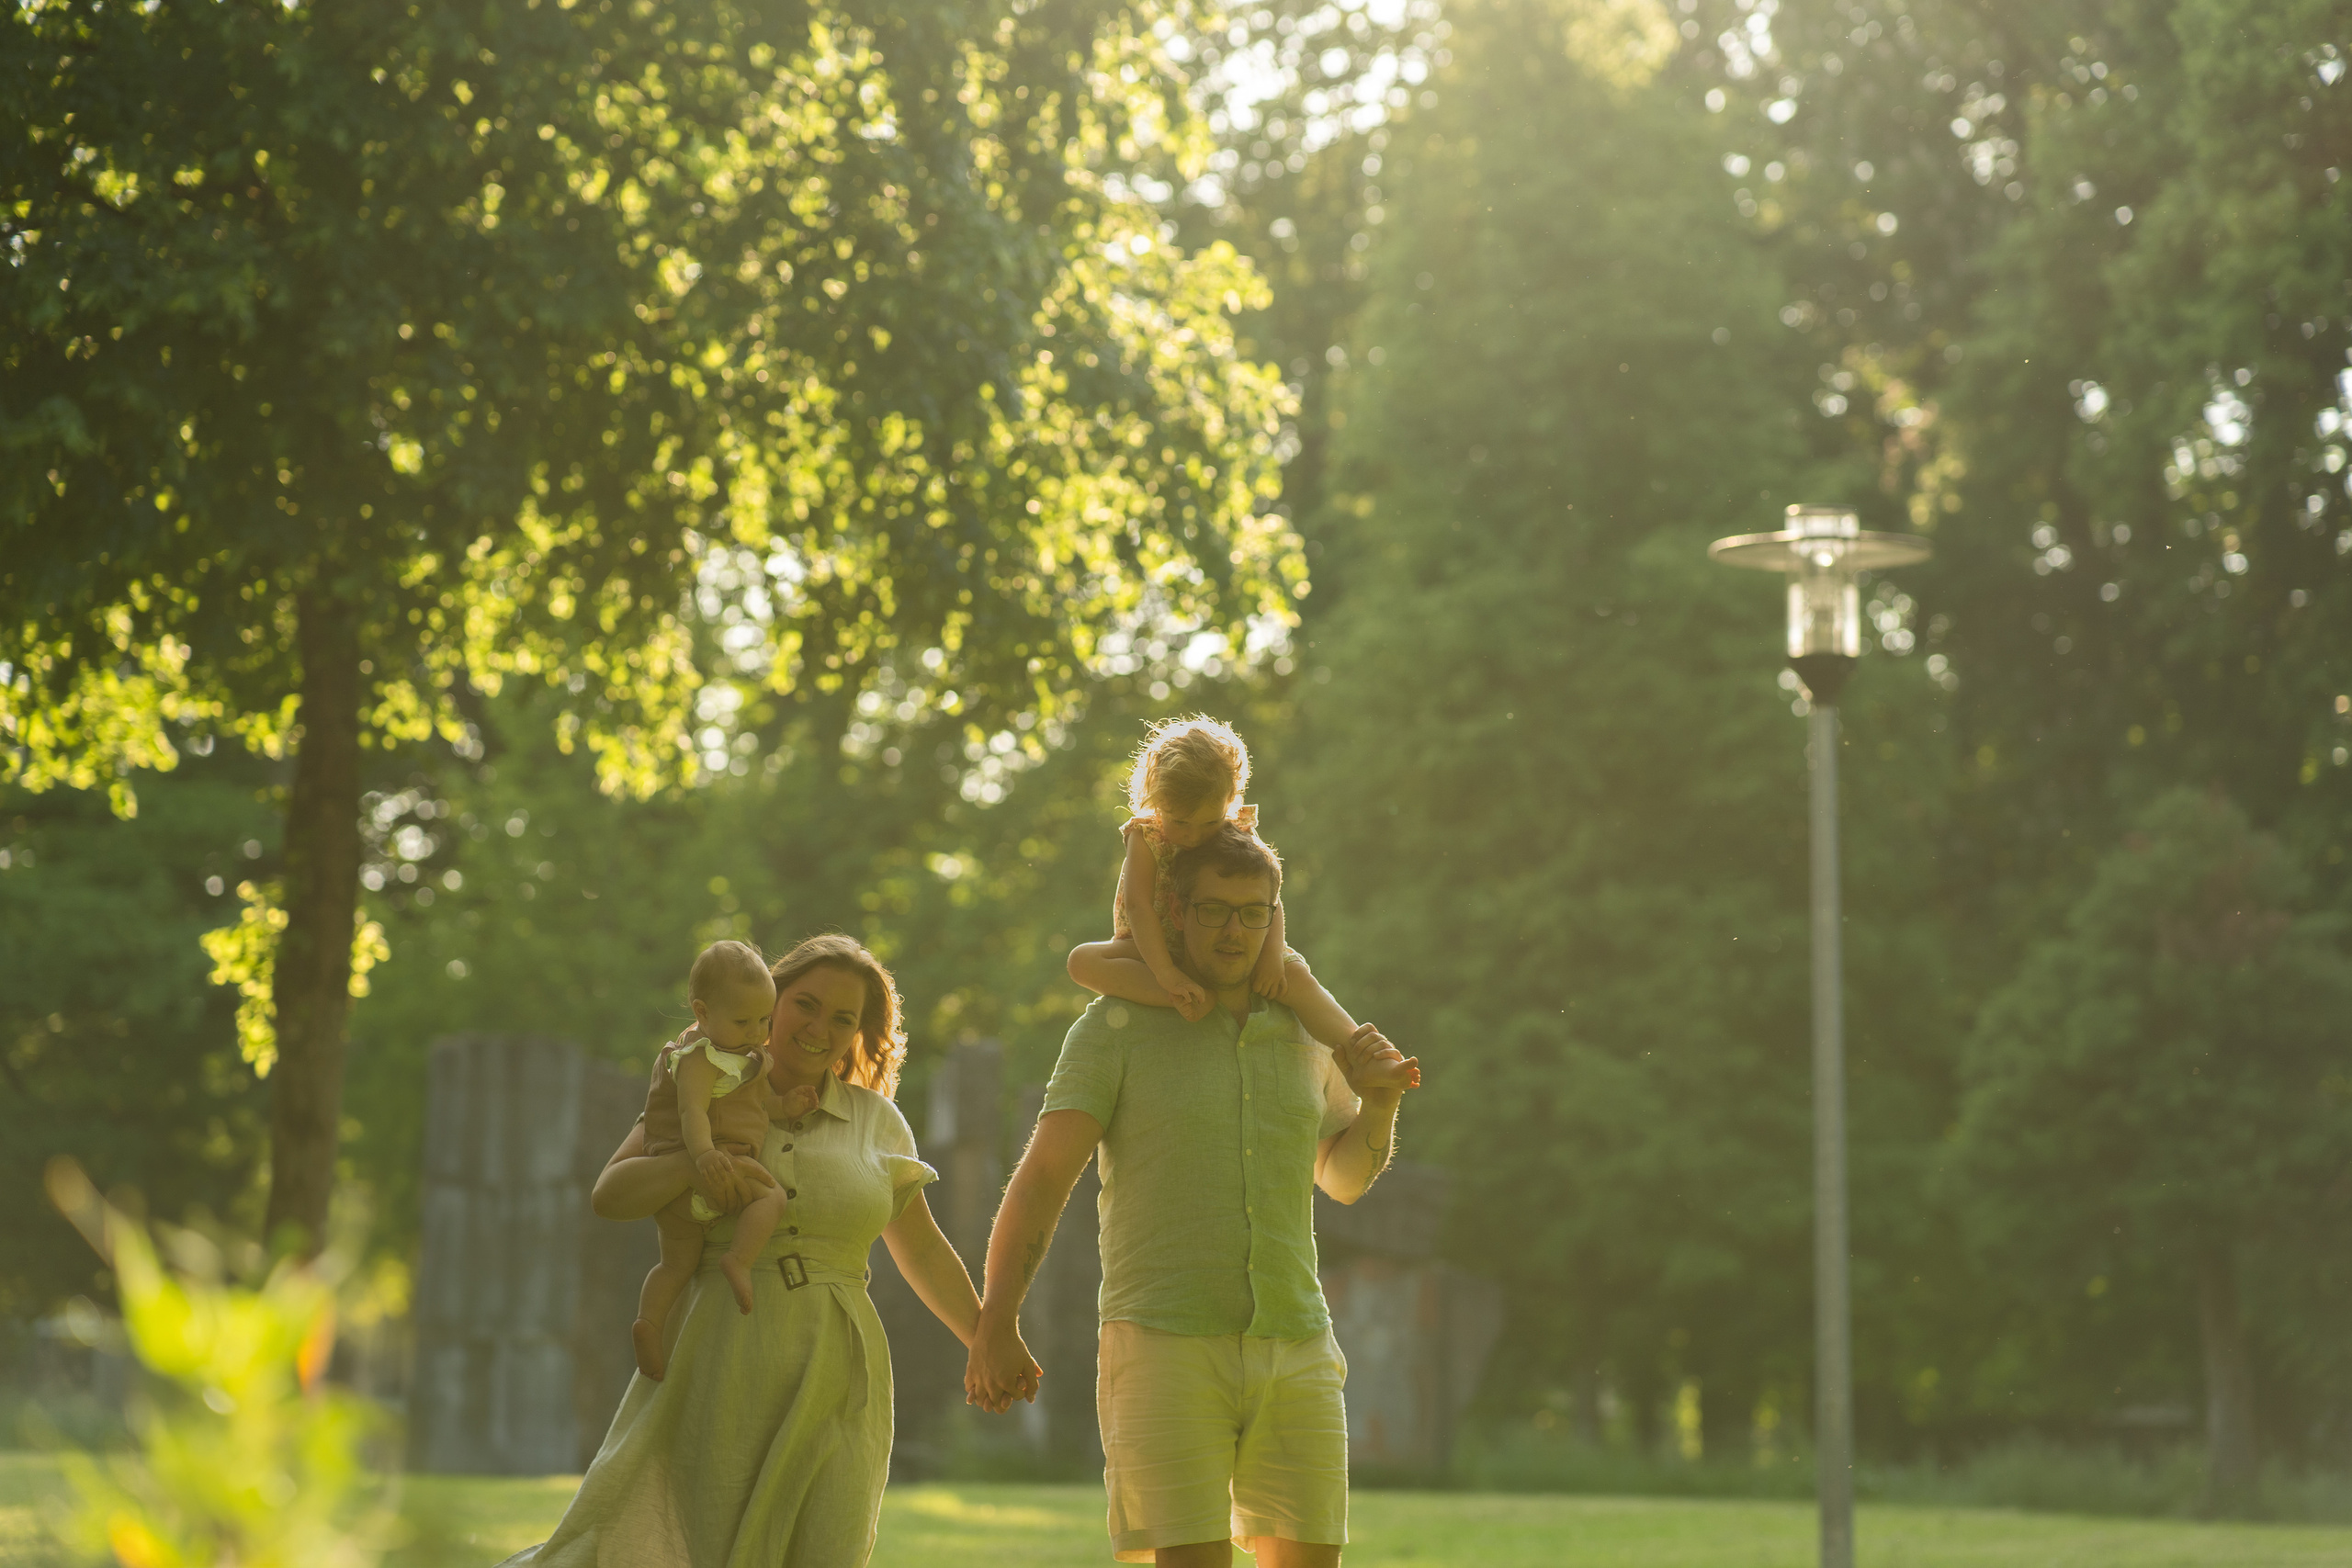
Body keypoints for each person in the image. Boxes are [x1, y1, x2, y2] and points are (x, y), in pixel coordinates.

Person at [969, 826, 1421, 1565]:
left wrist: (1380, 1108)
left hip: (1297, 1340)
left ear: (1275, 918)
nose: (1234, 928)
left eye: (1253, 911)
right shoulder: (1115, 1024)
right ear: (1173, 910)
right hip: (1162, 1343)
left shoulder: (1306, 1034)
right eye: (1214, 909)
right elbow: (1044, 1176)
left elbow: (1341, 1179)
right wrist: (997, 1319)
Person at [500, 934, 981, 1568]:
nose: (820, 1028)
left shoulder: (878, 1120)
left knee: (828, 1546)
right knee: (700, 1545)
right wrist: (698, 1158)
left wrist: (989, 1336)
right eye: (805, 1004)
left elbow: (920, 1246)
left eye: (844, 1018)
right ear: (769, 1004)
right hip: (720, 1354)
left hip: (839, 1363)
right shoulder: (700, 1090)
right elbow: (610, 1195)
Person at [1068, 716, 1358, 1044]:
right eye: (1181, 822)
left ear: (1230, 801)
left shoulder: (1237, 827)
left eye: (1209, 822)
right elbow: (1138, 906)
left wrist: (1273, 956)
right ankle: (1189, 998)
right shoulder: (1146, 836)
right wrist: (1167, 974)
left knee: (1297, 977)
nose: (1194, 835)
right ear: (1158, 801)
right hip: (1153, 945)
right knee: (1082, 962)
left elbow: (1269, 897)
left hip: (1221, 935)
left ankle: (1360, 1049)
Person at [630, 941, 818, 1381]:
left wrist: (784, 1107)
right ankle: (736, 1261)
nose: (756, 1031)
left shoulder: (747, 1060)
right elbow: (690, 1112)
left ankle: (650, 1325)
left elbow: (755, 1110)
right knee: (770, 1197)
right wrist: (703, 1155)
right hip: (701, 1171)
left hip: (716, 1175)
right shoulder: (699, 1058)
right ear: (702, 1012)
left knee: (678, 1263)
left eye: (764, 1021)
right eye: (742, 1021)